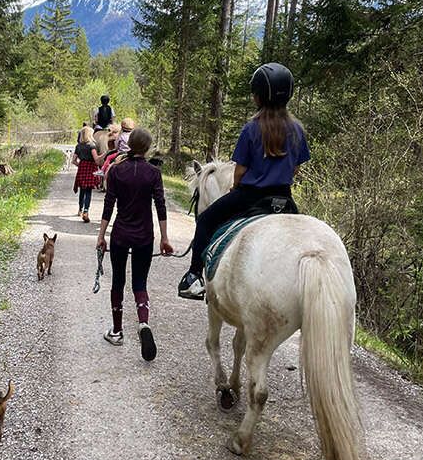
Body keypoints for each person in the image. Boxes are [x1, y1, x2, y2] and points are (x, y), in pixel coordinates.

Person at [178, 62, 310, 300]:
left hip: (251, 196)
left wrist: (235, 187)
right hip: (284, 198)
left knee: (206, 221)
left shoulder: (252, 129)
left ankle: (193, 277)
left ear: (259, 96)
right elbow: (296, 168)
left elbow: (239, 170)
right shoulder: (297, 129)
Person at [97, 127, 174, 361]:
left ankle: (118, 331)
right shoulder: (153, 173)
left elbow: (108, 206)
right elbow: (160, 206)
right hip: (144, 236)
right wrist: (165, 238)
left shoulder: (117, 171)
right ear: (148, 147)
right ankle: (143, 324)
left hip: (121, 234)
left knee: (118, 282)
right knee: (140, 283)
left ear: (129, 144)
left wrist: (101, 236)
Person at [73, 125, 103, 223]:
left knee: (82, 190)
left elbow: (73, 161)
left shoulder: (78, 146)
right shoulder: (92, 146)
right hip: (90, 168)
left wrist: (80, 165)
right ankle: (86, 211)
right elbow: (97, 159)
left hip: (82, 168)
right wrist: (105, 154)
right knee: (88, 191)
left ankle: (80, 209)